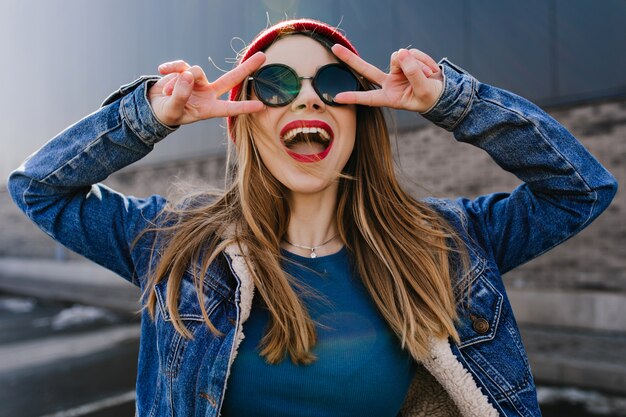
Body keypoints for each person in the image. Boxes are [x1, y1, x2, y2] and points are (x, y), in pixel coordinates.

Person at [7, 17, 617, 417]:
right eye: (274, 84)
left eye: (330, 82)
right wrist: (150, 116)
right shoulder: (177, 245)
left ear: (359, 119)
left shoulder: (447, 241)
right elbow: (39, 186)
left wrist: (451, 101)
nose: (305, 98)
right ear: (246, 120)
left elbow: (579, 188)